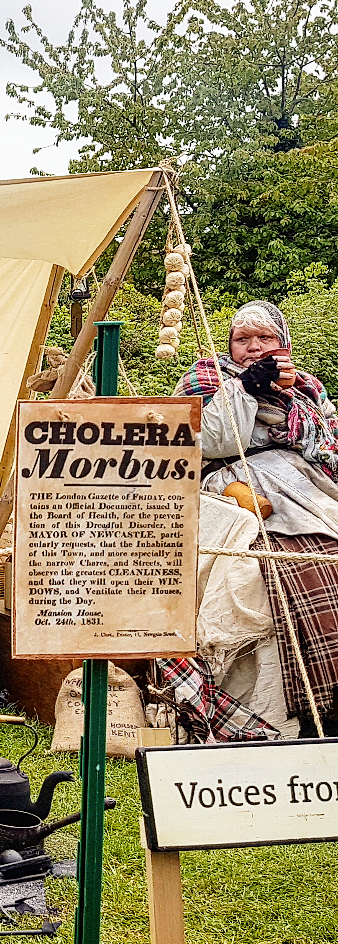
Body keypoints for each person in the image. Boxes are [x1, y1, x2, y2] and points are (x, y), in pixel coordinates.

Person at [172, 301, 338, 731]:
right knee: (283, 566)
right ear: (229, 345)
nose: (254, 347)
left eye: (265, 338)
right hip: (233, 476)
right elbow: (210, 443)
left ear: (282, 343)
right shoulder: (205, 379)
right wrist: (244, 387)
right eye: (242, 339)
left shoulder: (307, 387)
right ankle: (294, 708)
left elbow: (329, 444)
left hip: (306, 481)